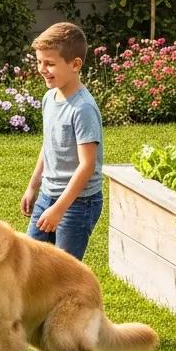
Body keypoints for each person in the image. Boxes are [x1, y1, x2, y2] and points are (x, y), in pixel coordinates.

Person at [20, 21, 104, 261]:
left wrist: (59, 208)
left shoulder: (83, 108)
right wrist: (33, 187)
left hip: (78, 202)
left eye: (50, 64)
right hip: (48, 193)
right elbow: (48, 147)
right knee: (30, 261)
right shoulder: (49, 98)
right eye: (39, 62)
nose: (42, 69)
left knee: (64, 272)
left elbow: (87, 165)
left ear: (75, 64)